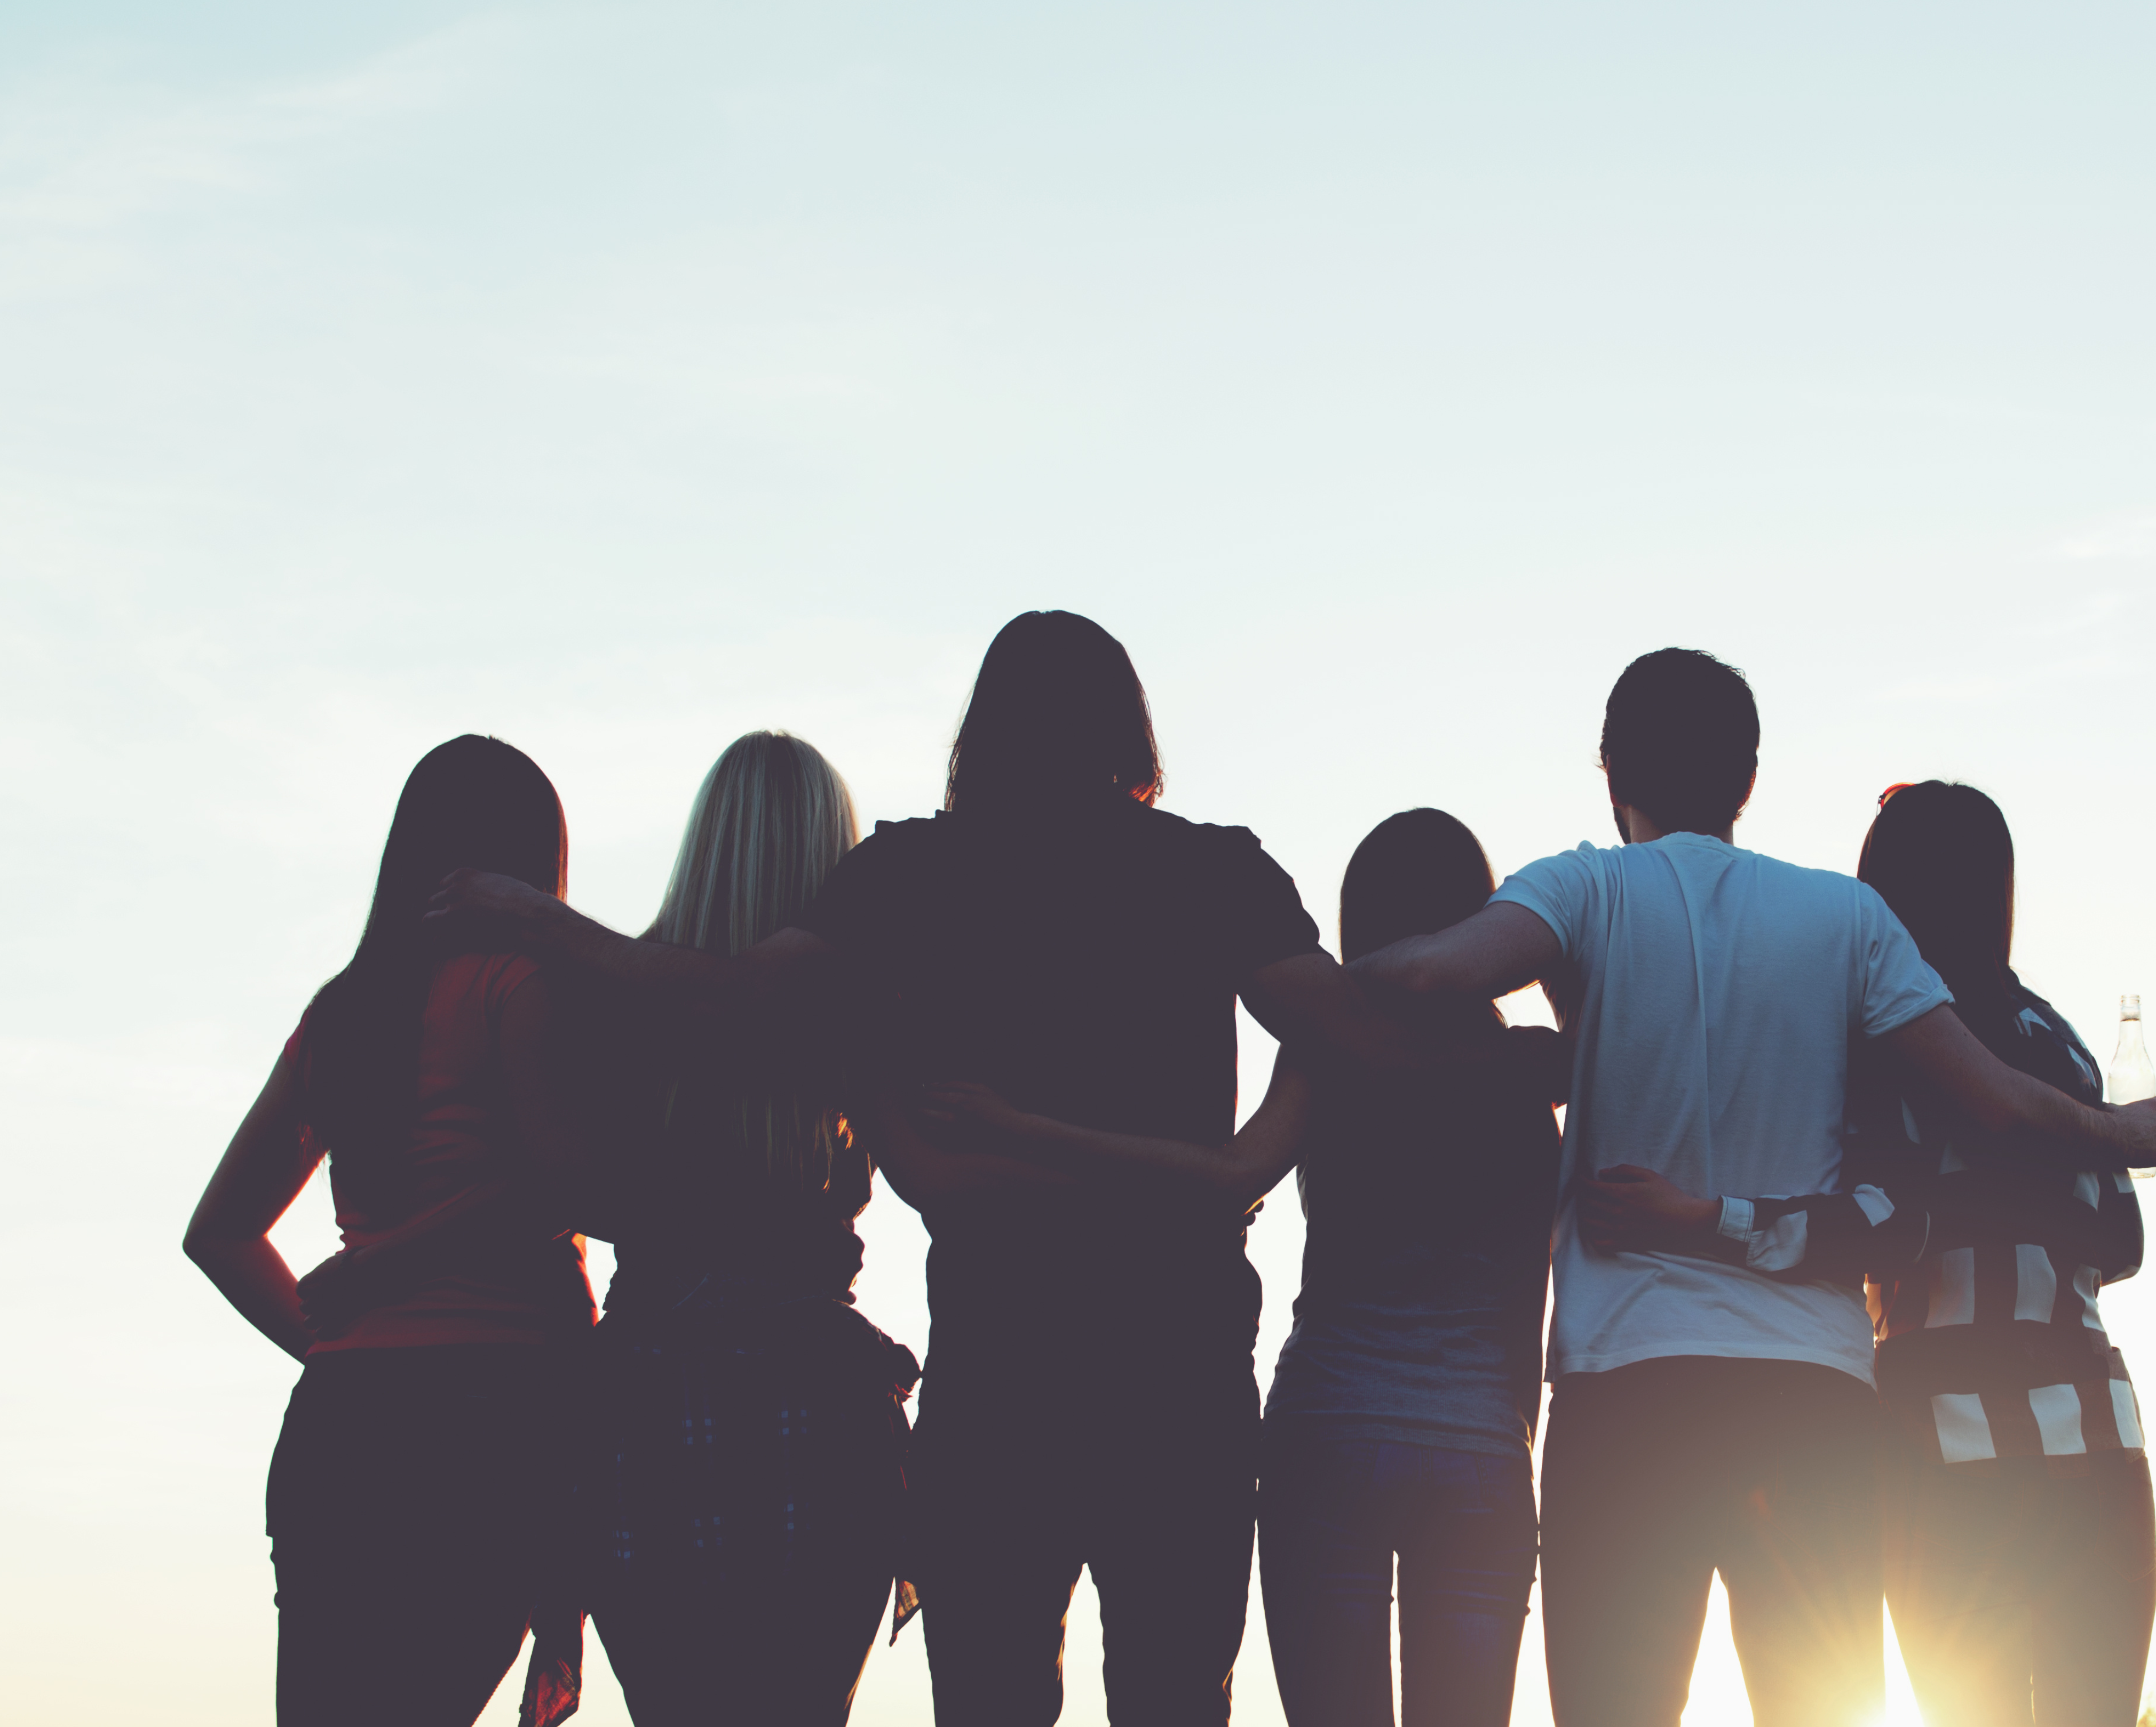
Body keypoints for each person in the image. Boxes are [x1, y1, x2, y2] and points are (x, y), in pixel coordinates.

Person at [427, 610, 1422, 1727]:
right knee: (1176, 1696)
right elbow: (1354, 1034)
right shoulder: (1214, 871)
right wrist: (1227, 1168)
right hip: (1180, 1374)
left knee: (991, 1698)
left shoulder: (911, 872)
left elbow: (732, 995)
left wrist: (544, 924)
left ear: (981, 732)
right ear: (1128, 734)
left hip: (1001, 1373)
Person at [1350, 650, 2156, 1727]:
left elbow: (1426, 975)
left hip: (1630, 1382)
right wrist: (2109, 1129)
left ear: (1611, 774)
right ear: (1748, 778)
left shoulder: (1584, 885)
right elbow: (2002, 1106)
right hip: (1818, 1398)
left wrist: (1303, 990)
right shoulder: (1849, 923)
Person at [910, 808, 1566, 1727]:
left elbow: (1227, 1177)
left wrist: (1022, 1127)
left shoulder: (1328, 1050)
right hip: (1477, 1458)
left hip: (1326, 1439)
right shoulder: (1535, 1067)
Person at [181, 734, 606, 1727]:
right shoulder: (523, 986)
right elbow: (569, 1185)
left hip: (346, 1424)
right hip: (496, 1414)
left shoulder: (343, 1015)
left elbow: (222, 1233)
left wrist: (346, 1338)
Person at [584, 731, 921, 1726]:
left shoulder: (611, 995)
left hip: (645, 1404)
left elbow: (574, 1187)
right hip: (820, 1408)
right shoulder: (868, 1003)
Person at [1852, 781, 2156, 1727]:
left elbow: (1881, 1223)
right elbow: (2123, 1241)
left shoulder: (1866, 1040)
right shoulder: (2058, 1042)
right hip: (2097, 1433)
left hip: (1936, 1437)